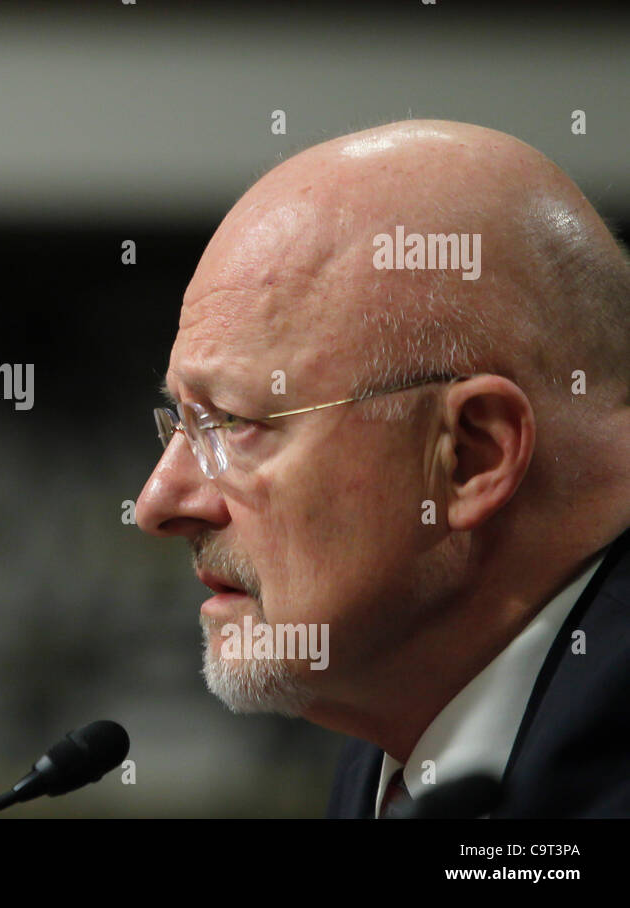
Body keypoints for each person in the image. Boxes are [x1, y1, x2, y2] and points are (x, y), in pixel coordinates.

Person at [135, 119, 630, 817]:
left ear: (469, 455)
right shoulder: (404, 741)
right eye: (181, 421)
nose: (158, 501)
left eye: (236, 423)